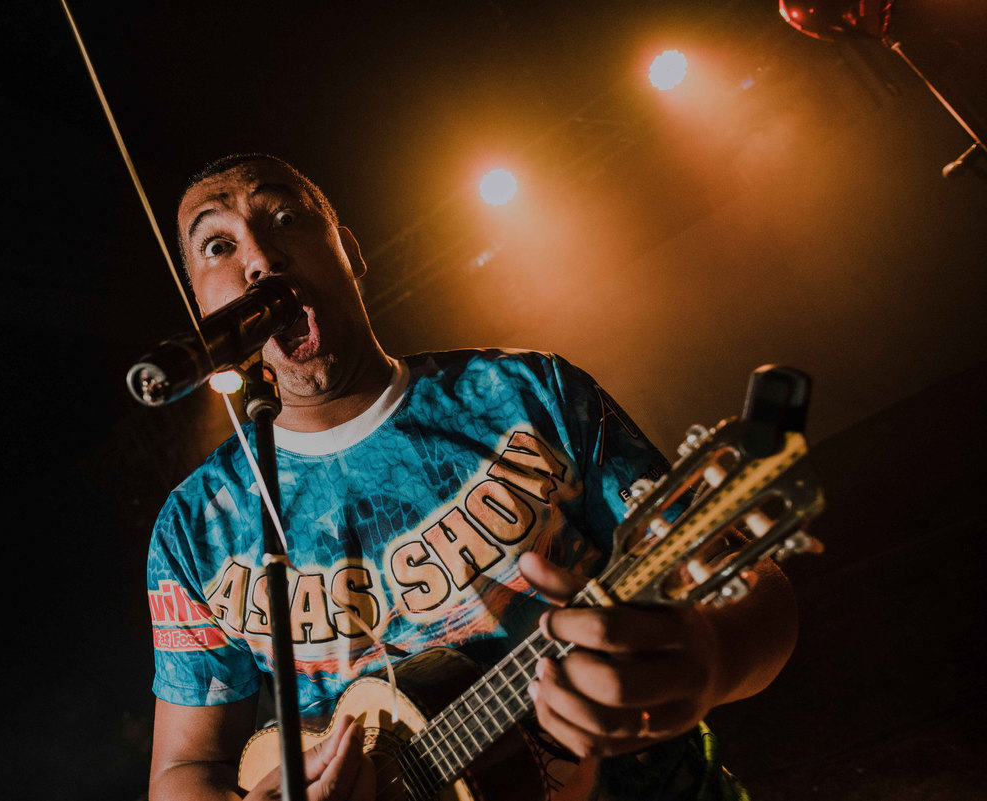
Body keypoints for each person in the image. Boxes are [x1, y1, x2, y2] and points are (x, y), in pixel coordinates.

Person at [146, 154, 798, 801]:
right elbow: (181, 772)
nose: (260, 257)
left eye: (285, 216)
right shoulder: (194, 527)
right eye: (219, 244)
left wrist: (711, 657)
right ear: (203, 306)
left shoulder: (526, 394)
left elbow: (748, 581)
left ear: (348, 250)